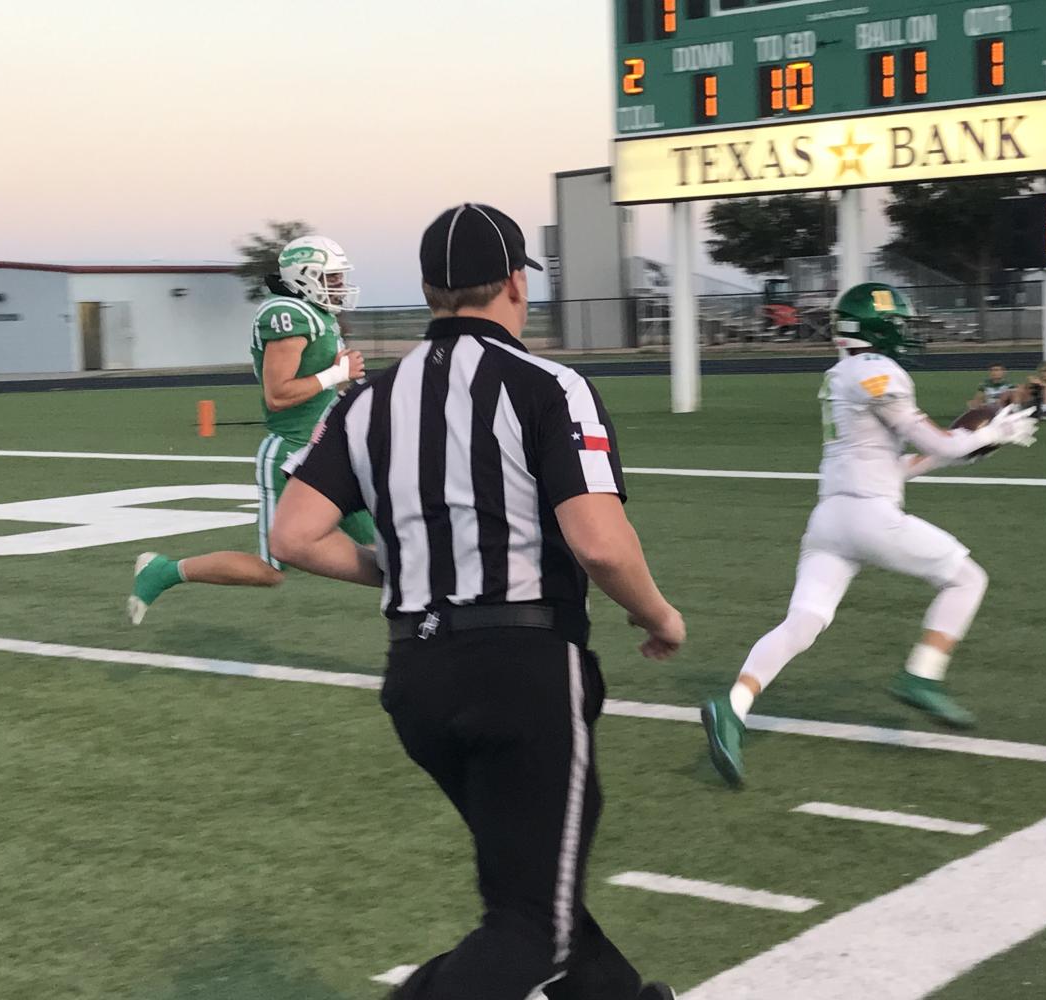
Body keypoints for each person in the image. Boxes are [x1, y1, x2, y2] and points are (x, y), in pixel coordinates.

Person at [269, 203, 682, 1000]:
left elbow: (293, 536)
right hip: (522, 668)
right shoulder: (548, 385)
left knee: (536, 883)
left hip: (418, 676)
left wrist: (403, 570)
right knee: (534, 923)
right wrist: (657, 613)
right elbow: (598, 542)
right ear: (518, 284)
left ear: (430, 291)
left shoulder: (368, 402)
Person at [700, 283, 1038, 787]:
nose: (904, 332)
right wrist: (990, 433)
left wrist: (964, 446)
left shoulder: (842, 374)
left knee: (804, 622)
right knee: (967, 579)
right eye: (897, 323)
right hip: (868, 517)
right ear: (879, 328)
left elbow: (896, 463)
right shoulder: (879, 372)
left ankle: (733, 704)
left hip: (831, 519)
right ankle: (922, 674)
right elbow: (933, 442)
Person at [127, 235, 375, 623]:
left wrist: (344, 383)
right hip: (293, 453)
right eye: (331, 278)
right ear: (305, 277)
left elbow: (322, 391)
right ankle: (164, 571)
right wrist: (335, 373)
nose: (339, 287)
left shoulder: (319, 316)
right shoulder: (288, 314)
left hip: (331, 450)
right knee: (269, 570)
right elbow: (278, 395)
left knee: (387, 542)